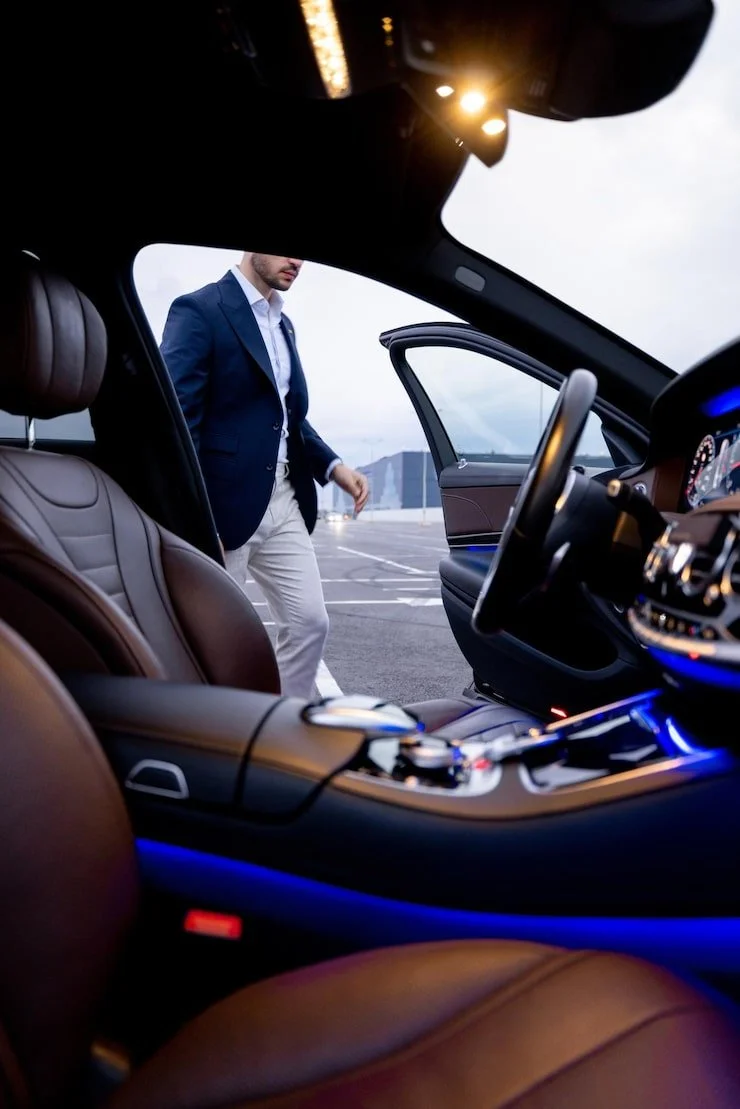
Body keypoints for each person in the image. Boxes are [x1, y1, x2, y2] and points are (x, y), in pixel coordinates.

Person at [160, 253, 369, 698]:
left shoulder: (283, 324)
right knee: (213, 640)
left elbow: (285, 416)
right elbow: (175, 423)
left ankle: (283, 718)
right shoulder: (199, 310)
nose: (297, 260)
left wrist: (334, 467)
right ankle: (210, 727)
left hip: (284, 497)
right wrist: (197, 518)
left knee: (309, 622)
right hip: (221, 506)